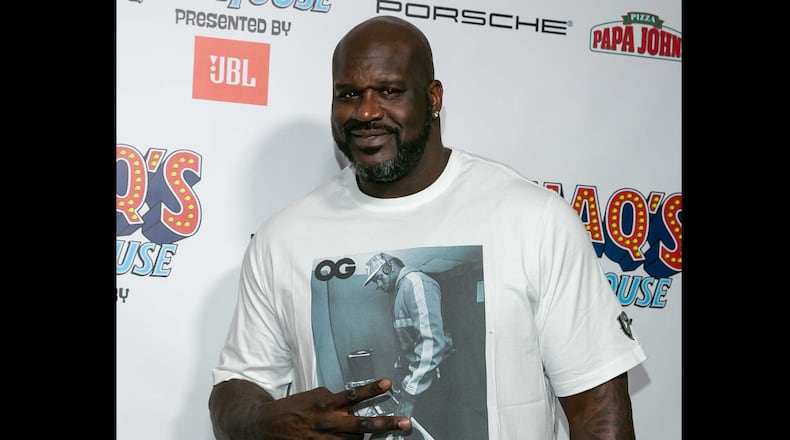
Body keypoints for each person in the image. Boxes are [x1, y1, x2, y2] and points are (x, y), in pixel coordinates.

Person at [209, 14, 647, 440]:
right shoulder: (284, 236)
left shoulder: (533, 219)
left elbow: (597, 411)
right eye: (348, 94)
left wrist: (405, 394)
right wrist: (261, 424)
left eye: (389, 90)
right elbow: (237, 388)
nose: (365, 111)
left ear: (433, 98)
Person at [362, 253, 454, 436]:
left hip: (433, 379)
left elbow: (432, 344)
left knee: (434, 432)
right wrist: (398, 379)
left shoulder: (416, 283)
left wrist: (409, 396)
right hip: (419, 378)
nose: (379, 286)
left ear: (390, 267)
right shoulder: (400, 292)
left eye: (379, 278)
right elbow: (407, 344)